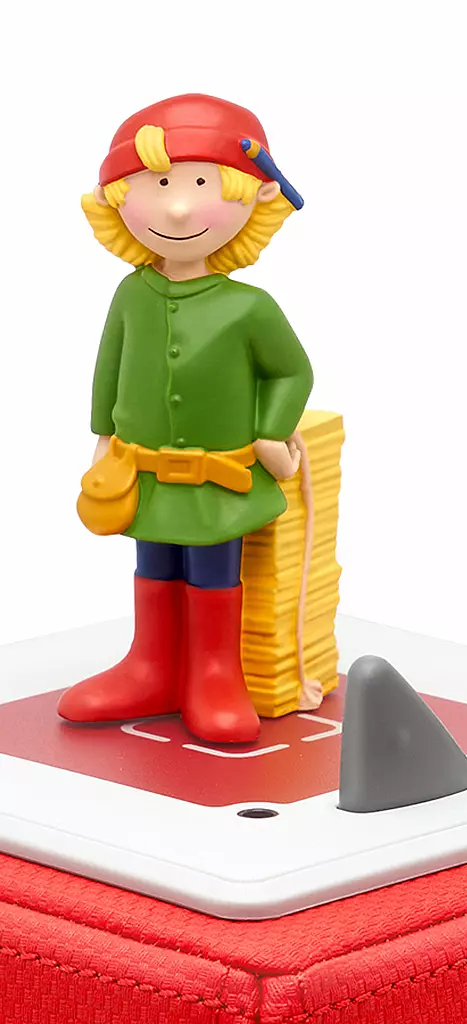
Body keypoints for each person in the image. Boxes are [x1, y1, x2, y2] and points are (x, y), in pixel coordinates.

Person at [58, 94, 313, 744]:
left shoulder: (249, 307)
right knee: (152, 564)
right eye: (160, 185)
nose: (176, 208)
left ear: (253, 195)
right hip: (142, 473)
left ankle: (214, 674)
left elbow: (292, 373)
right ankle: (150, 666)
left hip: (219, 480)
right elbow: (109, 366)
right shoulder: (130, 294)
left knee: (212, 569)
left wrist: (271, 430)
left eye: (200, 185)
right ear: (118, 200)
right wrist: (103, 438)